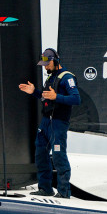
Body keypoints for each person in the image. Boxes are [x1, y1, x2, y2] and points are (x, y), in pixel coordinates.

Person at [19, 48, 81, 198]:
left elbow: (76, 99)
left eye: (47, 64)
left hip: (59, 123)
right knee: (40, 153)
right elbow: (46, 97)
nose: (45, 67)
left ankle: (64, 191)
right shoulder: (50, 78)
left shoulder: (67, 77)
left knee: (59, 156)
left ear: (54, 61)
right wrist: (34, 91)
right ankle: (45, 188)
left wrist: (56, 96)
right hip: (46, 122)